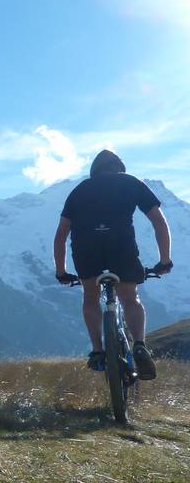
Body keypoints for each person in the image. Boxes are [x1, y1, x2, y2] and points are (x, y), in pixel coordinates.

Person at [53, 149, 173, 378]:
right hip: (121, 247)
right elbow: (159, 221)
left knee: (90, 297)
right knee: (130, 297)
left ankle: (98, 351)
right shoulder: (131, 183)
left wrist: (61, 271)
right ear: (119, 167)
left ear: (94, 171)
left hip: (86, 249)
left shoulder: (79, 190)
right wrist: (164, 260)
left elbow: (61, 234)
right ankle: (139, 345)